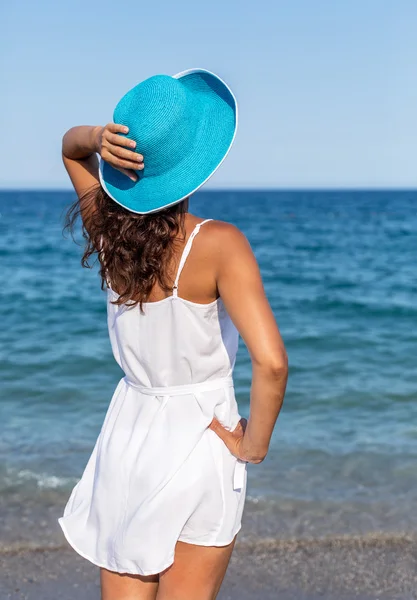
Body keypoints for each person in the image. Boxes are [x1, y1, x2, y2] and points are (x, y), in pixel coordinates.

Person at [58, 69, 288, 600]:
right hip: (203, 437)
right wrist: (252, 446)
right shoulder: (219, 244)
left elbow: (71, 152)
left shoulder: (107, 232)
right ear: (193, 166)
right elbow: (272, 363)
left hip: (130, 436)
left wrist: (94, 140)